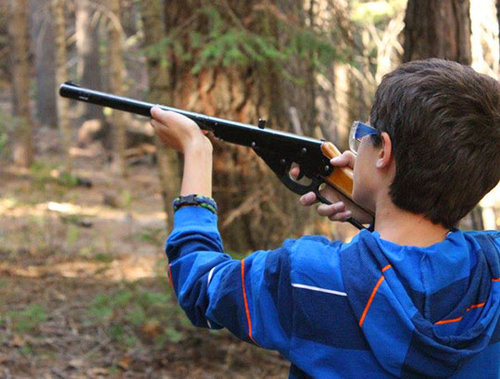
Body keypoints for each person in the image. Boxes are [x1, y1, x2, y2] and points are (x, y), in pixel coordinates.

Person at [150, 59, 500, 378]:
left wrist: (196, 151)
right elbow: (426, 265)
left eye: (363, 135)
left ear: (384, 153)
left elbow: (200, 283)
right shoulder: (494, 264)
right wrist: (381, 210)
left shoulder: (308, 277)